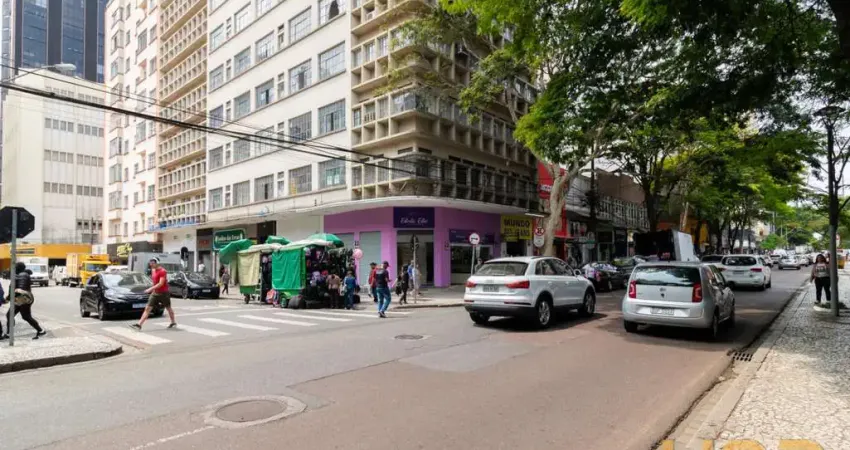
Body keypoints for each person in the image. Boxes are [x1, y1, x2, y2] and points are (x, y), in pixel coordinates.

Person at [1, 262, 46, 340]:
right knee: (14, 315)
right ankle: (9, 333)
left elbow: (14, 290)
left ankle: (41, 330)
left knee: (24, 316)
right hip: (24, 297)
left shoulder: (19, 276)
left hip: (22, 298)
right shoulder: (24, 274)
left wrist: (7, 299)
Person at [131, 258, 176, 331]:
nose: (151, 264)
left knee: (168, 308)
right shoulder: (153, 270)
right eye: (150, 262)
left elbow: (161, 283)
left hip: (164, 293)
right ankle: (139, 324)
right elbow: (154, 281)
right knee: (147, 308)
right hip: (155, 292)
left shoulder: (162, 271)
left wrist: (150, 289)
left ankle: (173, 322)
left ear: (157, 263)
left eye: (152, 263)